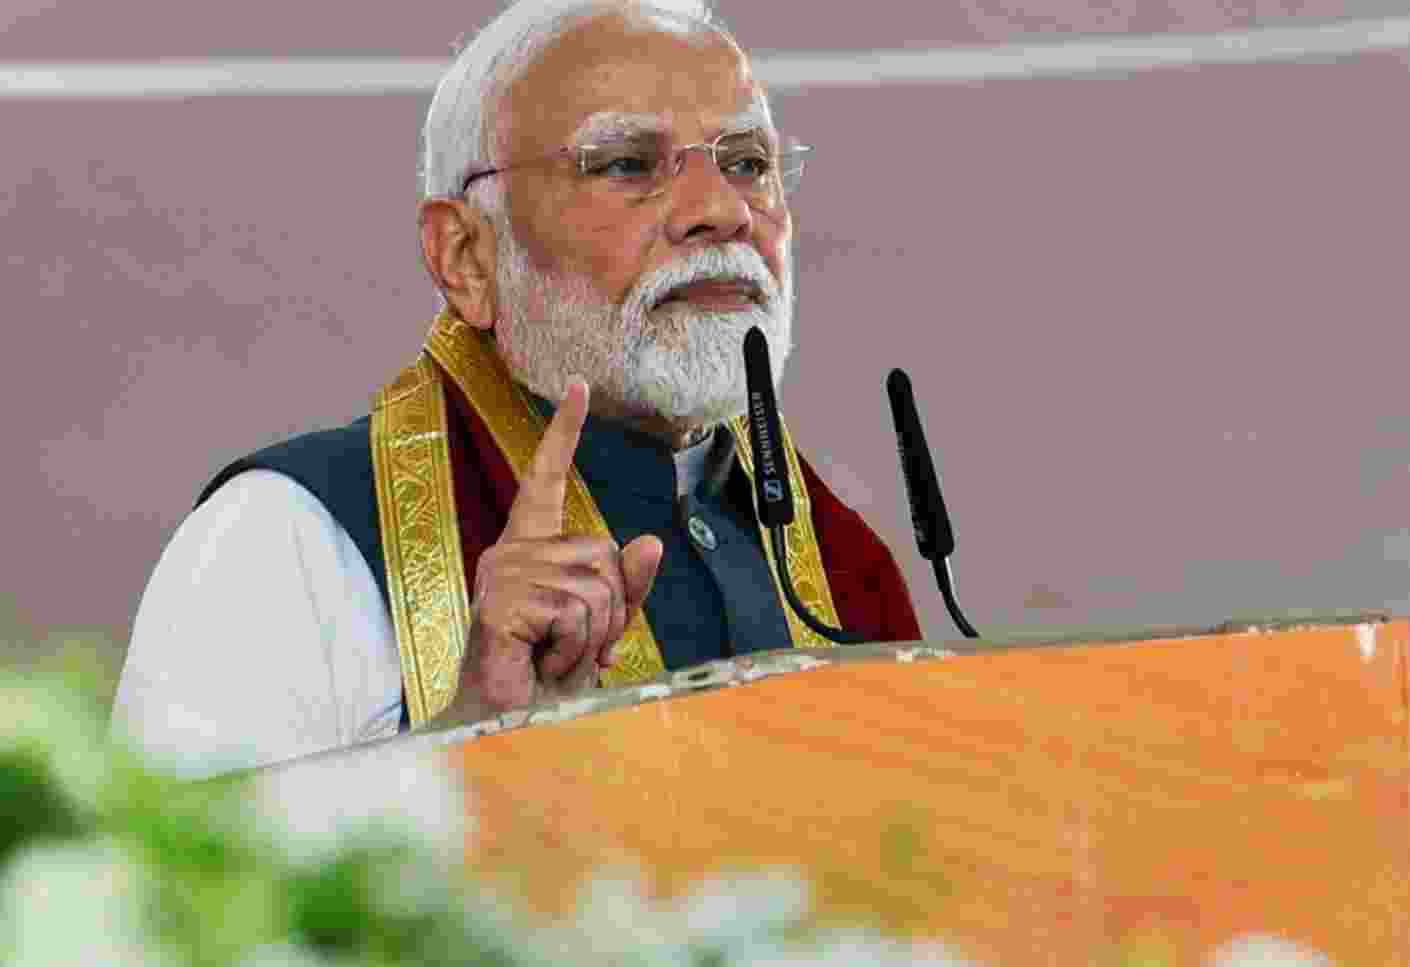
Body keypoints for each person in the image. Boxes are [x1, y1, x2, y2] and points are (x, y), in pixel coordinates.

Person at [114, 0, 921, 775]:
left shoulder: (844, 562)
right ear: (465, 256)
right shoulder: (289, 536)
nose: (722, 209)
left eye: (748, 163)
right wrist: (469, 739)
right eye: (628, 164)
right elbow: (167, 893)